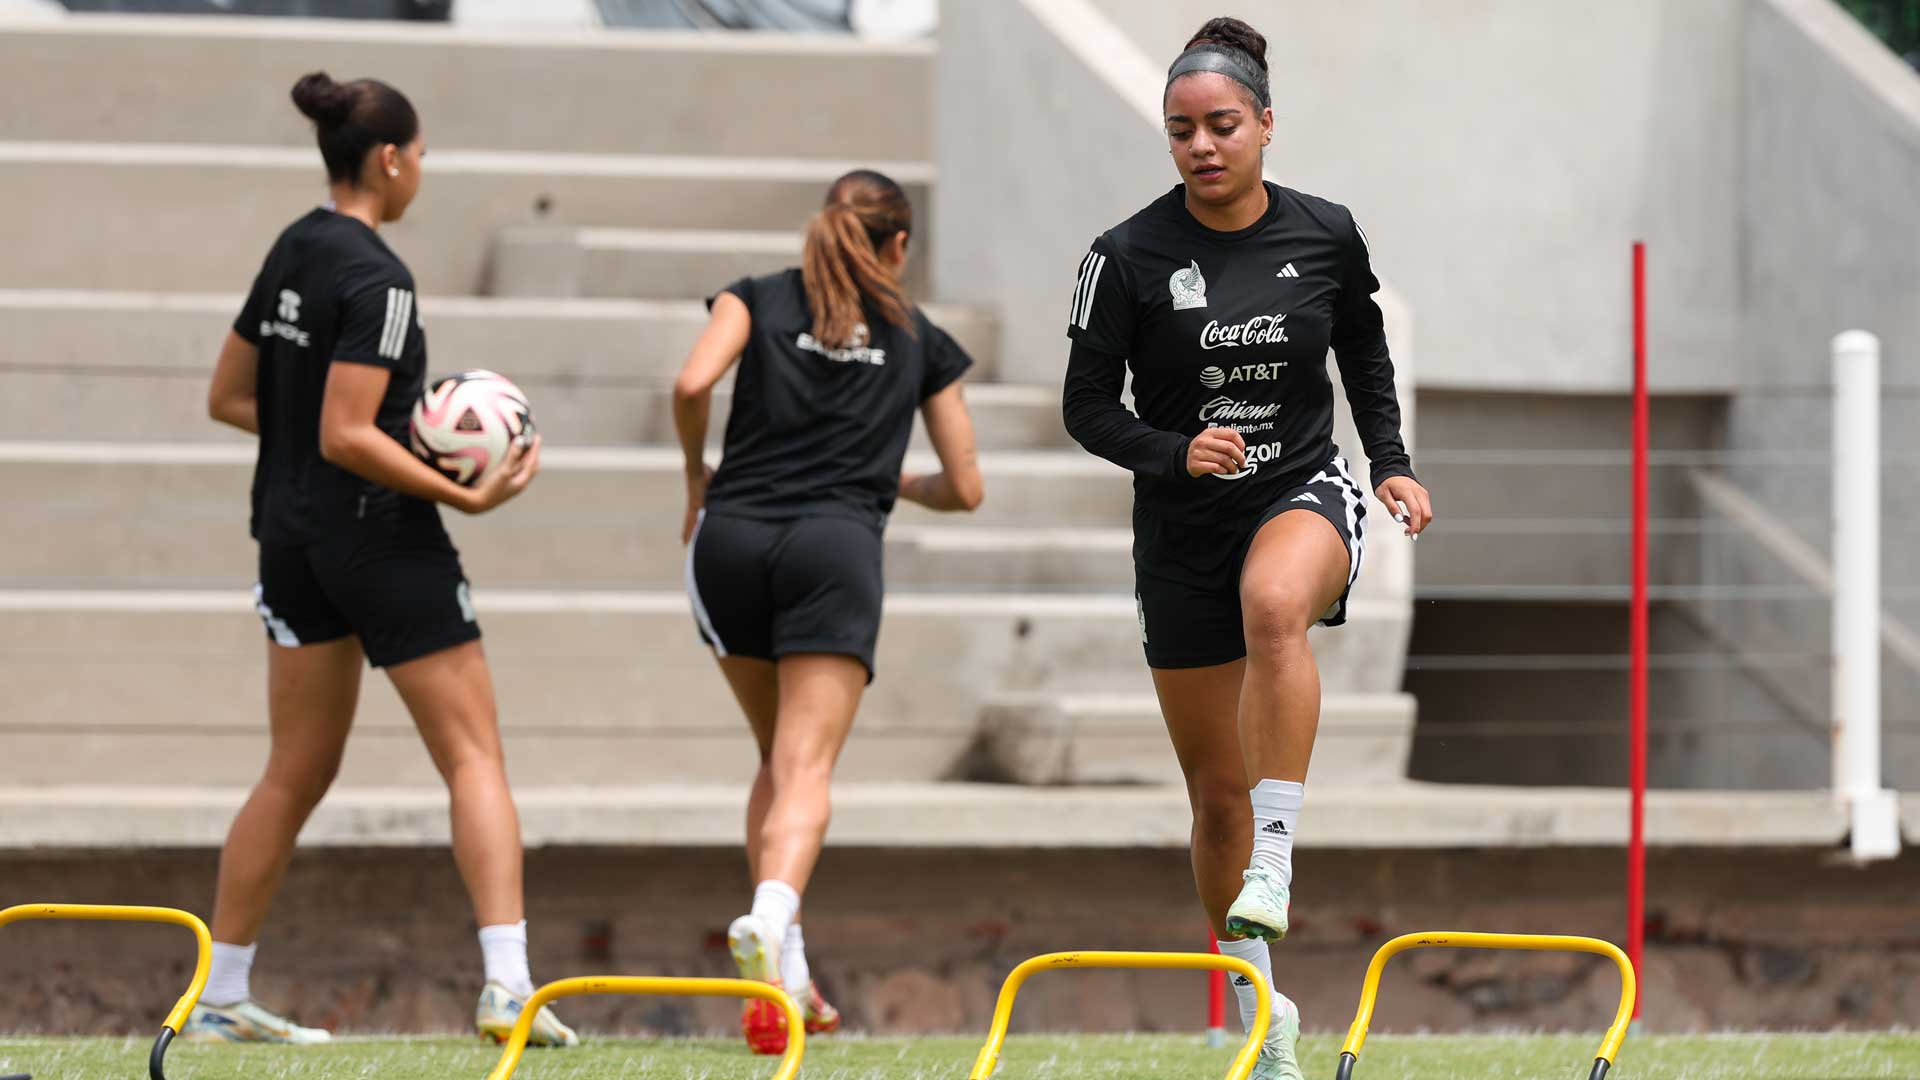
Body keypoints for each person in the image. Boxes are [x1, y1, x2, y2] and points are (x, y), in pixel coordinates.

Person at [1061, 17, 1434, 1080]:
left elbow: (1362, 347)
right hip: (1182, 523)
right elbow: (1087, 410)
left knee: (1277, 607)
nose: (1202, 146)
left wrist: (1392, 459)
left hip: (1302, 488)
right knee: (1211, 797)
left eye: (1222, 125)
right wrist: (1176, 454)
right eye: (1181, 130)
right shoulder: (1123, 257)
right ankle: (1258, 1014)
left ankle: (1280, 850)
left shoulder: (1324, 233)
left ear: (1266, 124)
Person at [194, 71, 574, 1048]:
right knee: (473, 755)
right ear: (392, 158)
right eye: (423, 155)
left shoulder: (293, 249)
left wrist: (310, 448)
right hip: (381, 539)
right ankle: (507, 990)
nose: (422, 173)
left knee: (293, 771)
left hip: (289, 537)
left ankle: (220, 998)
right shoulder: (381, 279)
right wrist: (466, 491)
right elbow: (349, 432)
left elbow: (231, 396)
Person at [672, 169, 983, 1054]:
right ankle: (771, 921)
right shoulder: (917, 335)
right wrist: (894, 480)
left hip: (727, 542)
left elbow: (692, 385)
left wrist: (696, 474)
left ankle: (788, 978)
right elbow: (966, 488)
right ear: (899, 246)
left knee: (774, 756)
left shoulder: (755, 297)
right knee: (805, 766)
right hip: (834, 550)